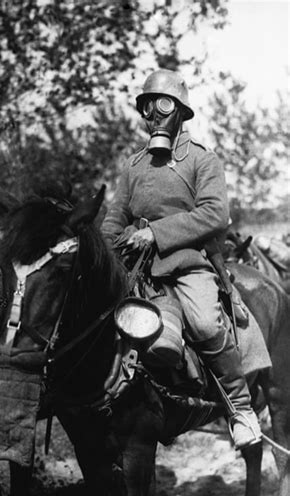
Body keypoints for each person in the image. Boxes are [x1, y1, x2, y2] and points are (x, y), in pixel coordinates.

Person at [101, 68, 262, 449]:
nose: (152, 115)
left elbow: (213, 213)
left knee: (206, 324)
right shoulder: (135, 165)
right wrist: (103, 252)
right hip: (134, 264)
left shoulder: (203, 161)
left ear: (180, 111)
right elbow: (114, 216)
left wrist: (155, 232)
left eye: (161, 105)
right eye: (146, 107)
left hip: (187, 263)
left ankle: (240, 408)